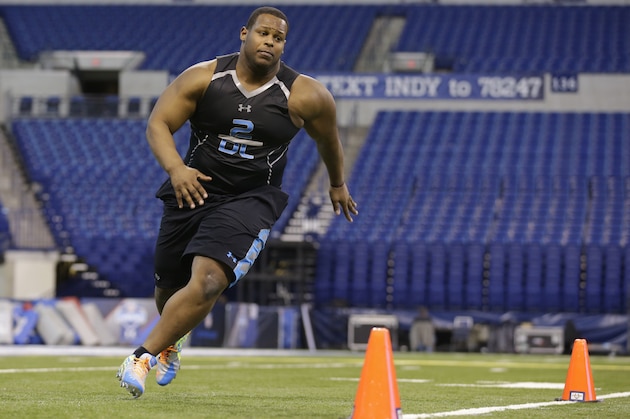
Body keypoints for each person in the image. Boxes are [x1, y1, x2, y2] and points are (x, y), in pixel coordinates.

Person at [116, 6, 358, 398]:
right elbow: (158, 123)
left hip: (251, 199)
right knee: (168, 286)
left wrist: (337, 184)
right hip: (192, 190)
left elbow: (328, 139)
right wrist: (177, 169)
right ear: (244, 34)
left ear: (284, 46)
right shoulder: (204, 78)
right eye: (263, 33)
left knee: (210, 280)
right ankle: (171, 341)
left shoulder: (305, 95)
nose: (270, 42)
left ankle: (141, 357)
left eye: (278, 38)